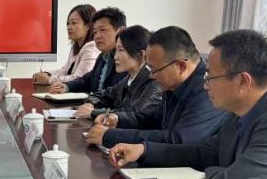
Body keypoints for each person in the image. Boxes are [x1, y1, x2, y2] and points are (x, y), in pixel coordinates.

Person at [108, 29, 267, 179]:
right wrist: (144, 150)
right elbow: (203, 152)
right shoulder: (240, 112)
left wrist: (214, 171)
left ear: (243, 81)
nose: (205, 85)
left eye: (210, 76)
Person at [87, 26, 225, 149]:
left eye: (154, 70)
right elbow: (153, 118)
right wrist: (118, 119)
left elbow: (178, 140)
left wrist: (112, 136)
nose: (151, 76)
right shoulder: (174, 83)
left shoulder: (207, 89)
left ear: (181, 66)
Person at [75, 26, 161, 135]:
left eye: (120, 50)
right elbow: (103, 95)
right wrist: (90, 104)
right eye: (116, 50)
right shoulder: (127, 80)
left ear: (141, 55)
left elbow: (136, 115)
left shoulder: (153, 82)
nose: (115, 57)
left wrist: (93, 112)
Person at [51, 7, 127, 95]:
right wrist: (66, 86)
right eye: (95, 32)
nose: (97, 36)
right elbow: (87, 80)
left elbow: (115, 96)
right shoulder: (103, 56)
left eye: (102, 30)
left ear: (121, 31)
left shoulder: (127, 60)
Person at [33, 4, 99, 86]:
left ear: (87, 27)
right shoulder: (75, 47)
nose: (69, 27)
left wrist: (49, 80)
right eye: (68, 23)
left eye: (74, 23)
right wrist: (46, 74)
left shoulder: (91, 48)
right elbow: (65, 70)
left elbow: (79, 79)